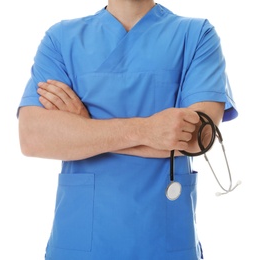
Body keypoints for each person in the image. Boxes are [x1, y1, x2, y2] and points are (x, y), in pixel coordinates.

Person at [18, 1, 238, 259]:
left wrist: (83, 128)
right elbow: (33, 138)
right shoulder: (61, 39)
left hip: (163, 239)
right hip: (79, 239)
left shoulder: (196, 35)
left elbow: (198, 137)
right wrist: (147, 130)